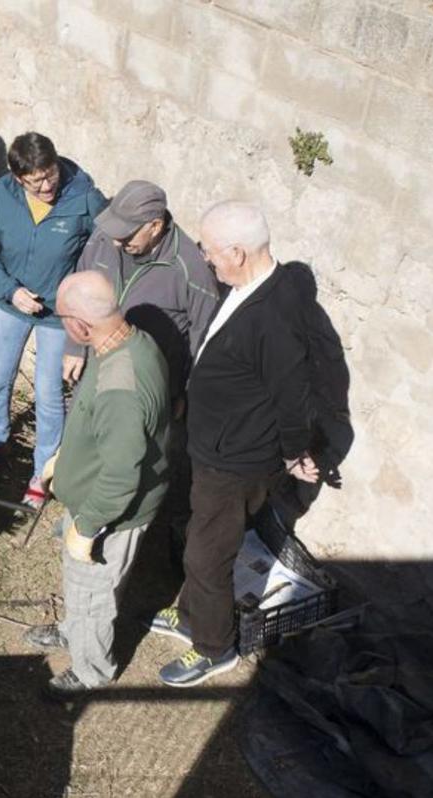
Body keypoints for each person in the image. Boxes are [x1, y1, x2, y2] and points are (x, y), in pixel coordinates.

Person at [153, 201, 318, 688]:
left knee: (208, 553)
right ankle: (190, 615)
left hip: (235, 460)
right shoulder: (255, 286)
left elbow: (292, 397)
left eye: (209, 251)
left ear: (239, 252)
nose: (204, 258)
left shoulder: (275, 318)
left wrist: (293, 454)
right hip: (218, 448)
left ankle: (213, 647)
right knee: (205, 537)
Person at [23, 271, 170, 697]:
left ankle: (92, 670)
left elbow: (122, 472)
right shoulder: (128, 342)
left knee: (93, 592)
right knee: (83, 589)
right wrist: (64, 459)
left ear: (80, 326)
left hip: (110, 512)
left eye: (64, 318)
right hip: (93, 494)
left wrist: (86, 527)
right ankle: (75, 630)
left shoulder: (120, 387)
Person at [67, 180, 220, 549]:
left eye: (127, 234)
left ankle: (120, 527)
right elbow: (81, 285)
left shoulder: (191, 270)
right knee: (89, 438)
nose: (118, 243)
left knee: (132, 455)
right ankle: (81, 505)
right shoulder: (108, 238)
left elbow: (204, 338)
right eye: (115, 232)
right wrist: (75, 344)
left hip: (146, 382)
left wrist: (185, 391)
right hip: (100, 363)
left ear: (155, 225)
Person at [0, 133, 108, 508]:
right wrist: (9, 290)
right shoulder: (1, 195)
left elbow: (105, 252)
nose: (47, 186)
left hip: (59, 316)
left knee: (47, 395)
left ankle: (43, 471)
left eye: (51, 174)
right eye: (36, 181)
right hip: (12, 304)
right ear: (17, 177)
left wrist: (80, 308)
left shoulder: (84, 198)